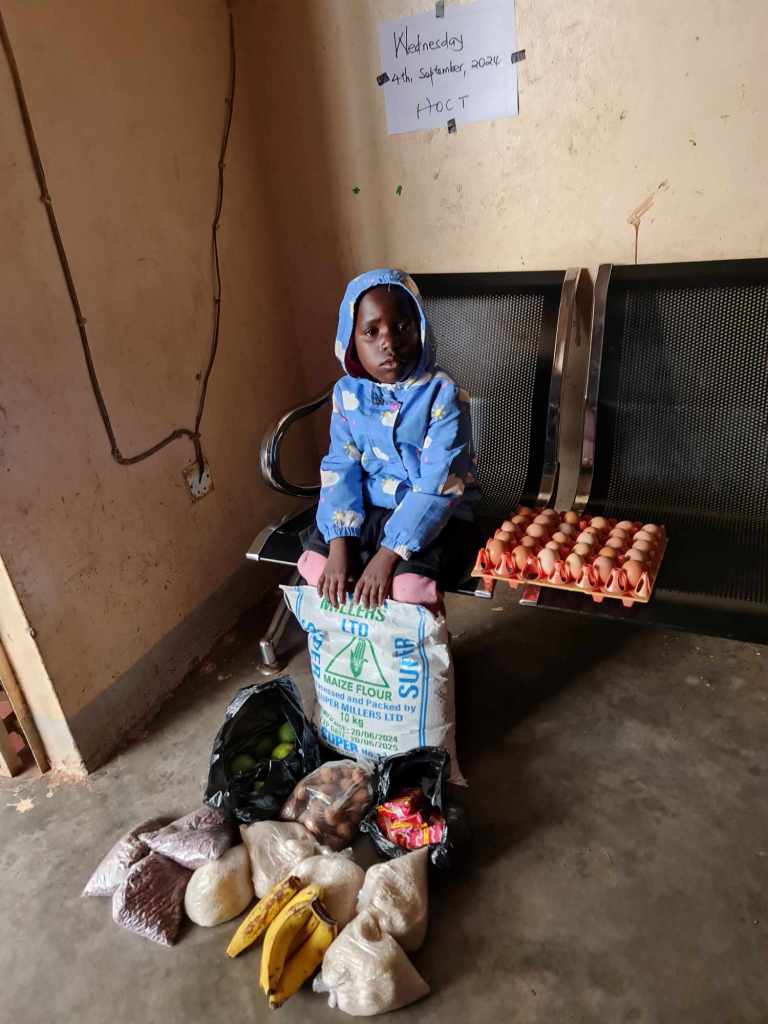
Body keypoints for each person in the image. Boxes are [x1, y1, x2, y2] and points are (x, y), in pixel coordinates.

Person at [298, 268, 479, 611]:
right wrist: (339, 545)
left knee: (409, 589)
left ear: (420, 329)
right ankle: (358, 638)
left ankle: (418, 638)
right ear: (351, 340)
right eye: (371, 331)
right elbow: (341, 466)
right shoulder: (347, 394)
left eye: (402, 327)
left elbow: (438, 486)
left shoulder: (444, 395)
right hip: (367, 508)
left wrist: (386, 556)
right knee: (316, 568)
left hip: (433, 510)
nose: (389, 342)